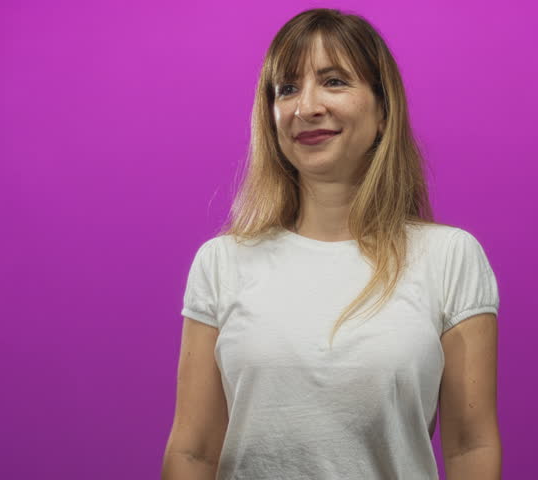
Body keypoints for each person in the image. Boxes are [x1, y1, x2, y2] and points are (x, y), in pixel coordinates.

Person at [162, 8, 501, 480]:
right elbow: (193, 451)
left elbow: (472, 447)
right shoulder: (221, 263)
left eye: (334, 81)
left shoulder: (450, 258)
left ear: (383, 110)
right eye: (287, 88)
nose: (307, 107)